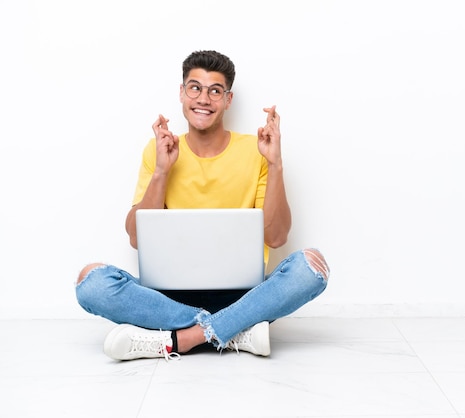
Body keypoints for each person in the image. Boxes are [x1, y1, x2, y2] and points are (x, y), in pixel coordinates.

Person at [75, 50, 330, 361]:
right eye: (195, 88)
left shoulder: (256, 150)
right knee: (91, 283)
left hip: (244, 295)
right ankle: (234, 331)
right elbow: (136, 238)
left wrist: (275, 164)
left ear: (228, 99)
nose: (204, 99)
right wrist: (161, 171)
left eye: (215, 91)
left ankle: (181, 339)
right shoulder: (160, 150)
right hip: (168, 298)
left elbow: (276, 238)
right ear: (182, 94)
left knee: (312, 267)